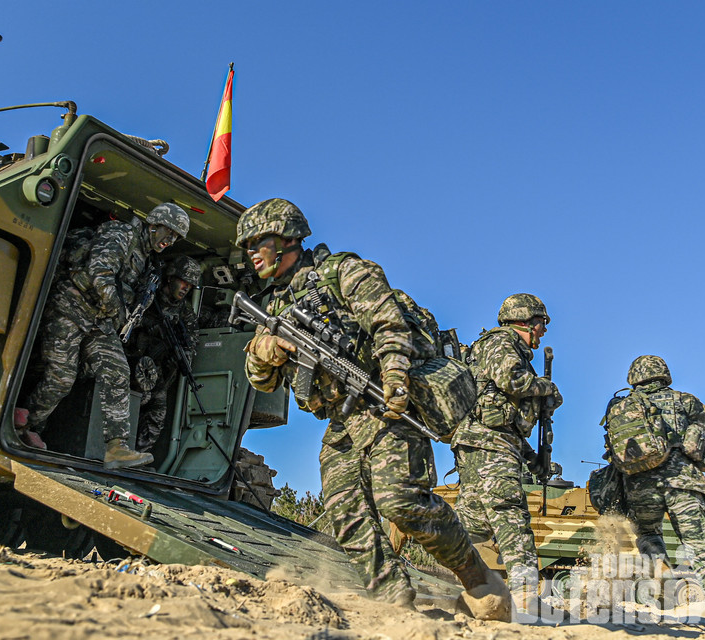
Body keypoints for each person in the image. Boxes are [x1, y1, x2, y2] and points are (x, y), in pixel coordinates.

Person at [237, 198, 510, 619]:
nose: (252, 252)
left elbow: (389, 325)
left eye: (260, 241)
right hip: (343, 419)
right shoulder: (272, 306)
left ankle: (476, 577)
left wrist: (396, 380)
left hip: (384, 402)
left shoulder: (345, 273)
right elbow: (259, 377)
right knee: (344, 510)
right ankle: (392, 597)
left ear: (289, 239)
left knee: (401, 501)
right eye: (247, 245)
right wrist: (266, 350)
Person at [17, 202, 190, 469]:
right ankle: (26, 426)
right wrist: (118, 311)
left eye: (176, 237)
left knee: (118, 371)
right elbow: (100, 273)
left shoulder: (147, 260)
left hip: (99, 321)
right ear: (153, 225)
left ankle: (117, 448)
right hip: (71, 308)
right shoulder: (121, 234)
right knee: (61, 377)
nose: (170, 240)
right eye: (168, 232)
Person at [608, 355, 705, 636]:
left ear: (634, 378)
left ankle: (657, 562)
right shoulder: (684, 401)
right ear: (664, 375)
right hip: (683, 482)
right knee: (703, 548)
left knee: (647, 532)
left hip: (639, 485)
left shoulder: (619, 406)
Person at [452, 293, 562, 617]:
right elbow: (512, 380)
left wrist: (531, 457)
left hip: (482, 446)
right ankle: (527, 603)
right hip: (490, 449)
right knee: (512, 519)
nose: (543, 331)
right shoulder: (501, 343)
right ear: (525, 321)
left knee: (471, 527)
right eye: (541, 323)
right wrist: (547, 389)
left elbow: (505, 421)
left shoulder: (499, 348)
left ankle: (420, 553)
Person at [126, 255, 200, 455]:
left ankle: (140, 455)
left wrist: (179, 355)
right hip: (132, 359)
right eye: (183, 282)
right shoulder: (150, 293)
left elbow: (191, 340)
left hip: (157, 370)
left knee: (158, 412)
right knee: (133, 401)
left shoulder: (184, 311)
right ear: (171, 278)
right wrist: (150, 328)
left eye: (190, 286)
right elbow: (128, 316)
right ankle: (117, 449)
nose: (186, 289)